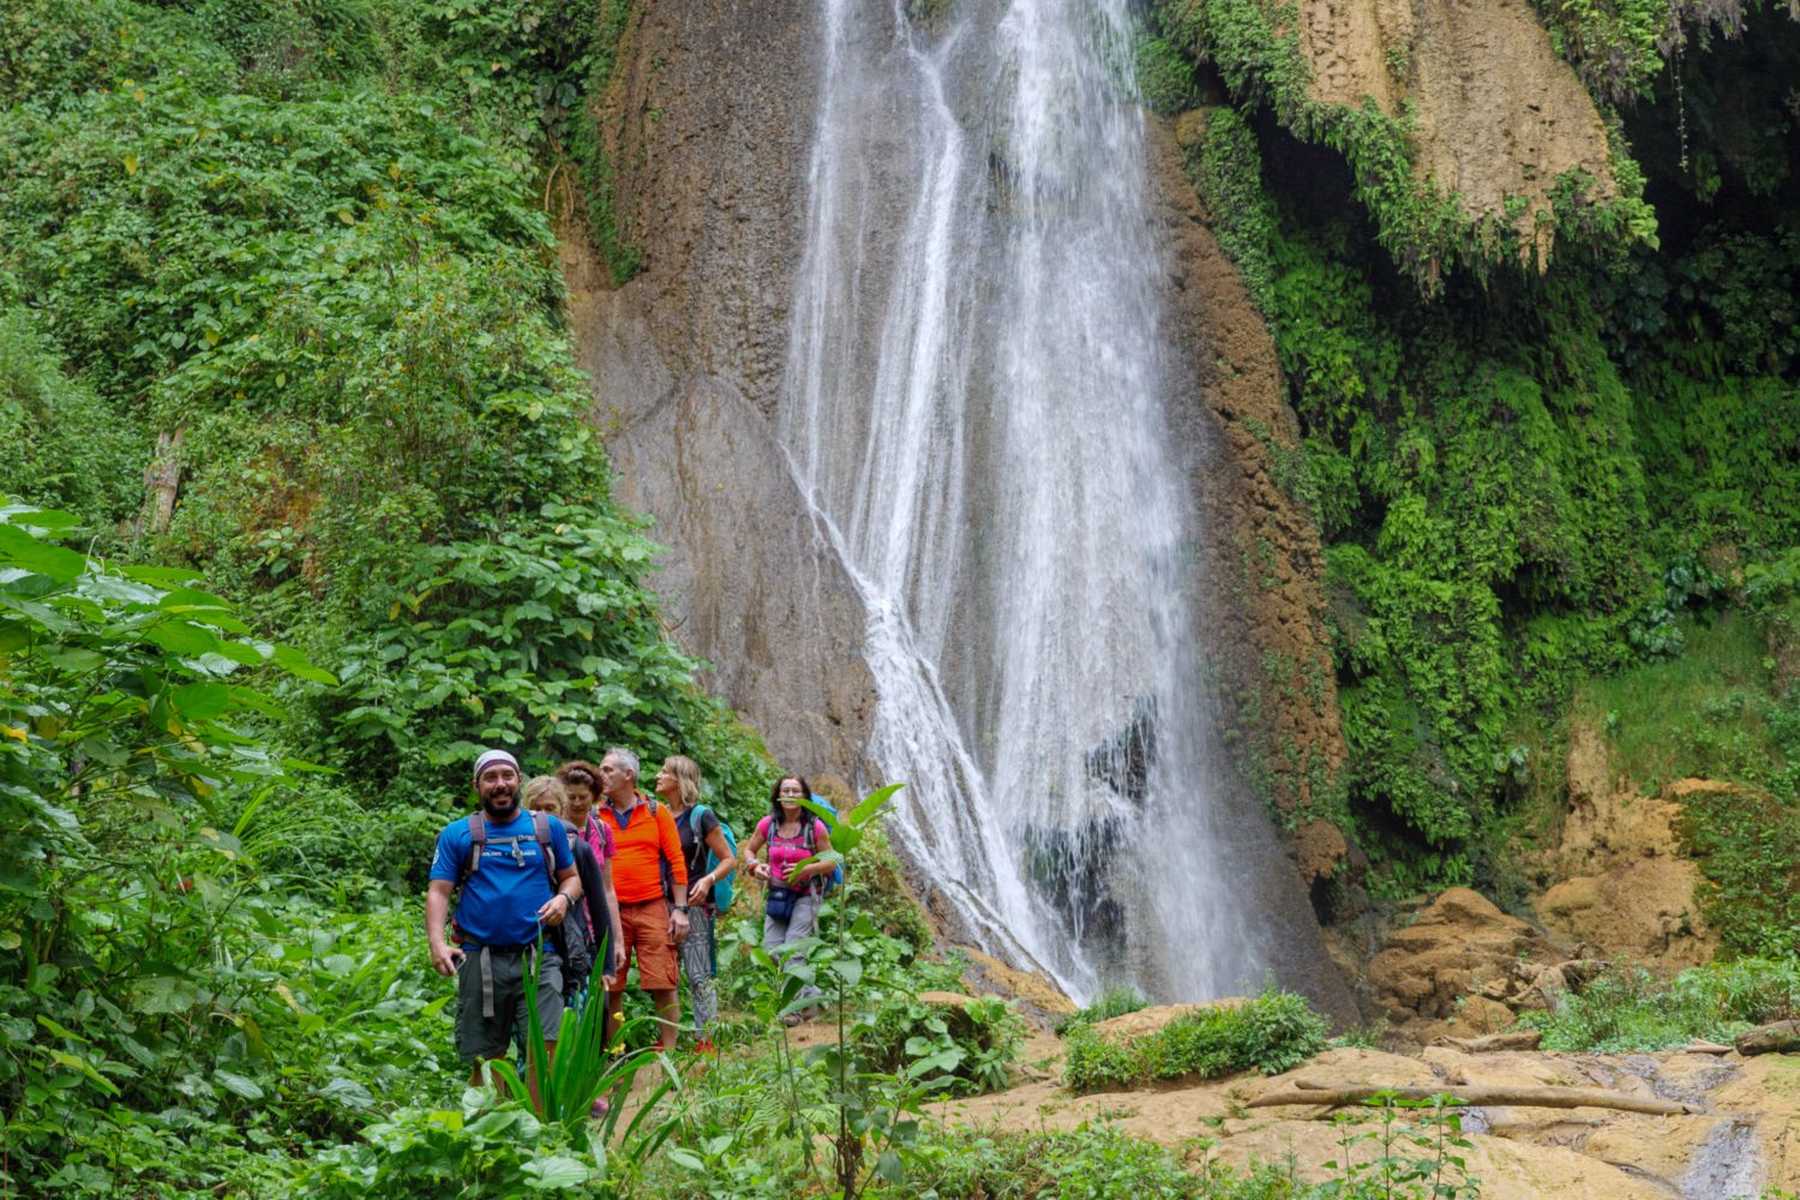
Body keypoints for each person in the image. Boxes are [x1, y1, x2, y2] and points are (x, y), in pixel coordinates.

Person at [426, 749, 580, 1097]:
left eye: (506, 776)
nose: (500, 784)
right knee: (484, 1056)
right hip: (480, 958)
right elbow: (438, 890)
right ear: (477, 785)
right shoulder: (458, 834)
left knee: (546, 1047)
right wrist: (437, 943)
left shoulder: (547, 828)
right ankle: (493, 1131)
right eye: (491, 777)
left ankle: (541, 1129)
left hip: (540, 956)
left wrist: (563, 898)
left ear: (518, 779)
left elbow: (572, 878)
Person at [595, 747, 689, 1052]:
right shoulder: (596, 814)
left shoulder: (655, 812)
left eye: (608, 770)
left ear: (629, 775)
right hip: (611, 912)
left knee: (664, 982)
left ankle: (671, 1054)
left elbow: (676, 861)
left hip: (652, 906)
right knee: (612, 987)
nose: (601, 775)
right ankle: (615, 1055)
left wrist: (681, 910)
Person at [656, 755, 736, 1053]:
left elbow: (729, 858)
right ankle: (670, 1037)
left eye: (665, 772)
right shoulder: (657, 814)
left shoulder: (702, 816)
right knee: (664, 974)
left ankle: (707, 1038)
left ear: (680, 779)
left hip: (694, 904)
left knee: (699, 972)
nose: (658, 776)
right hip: (661, 903)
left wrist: (707, 880)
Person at [740, 774, 834, 1025]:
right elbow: (750, 850)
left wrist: (808, 870)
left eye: (796, 791)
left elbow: (831, 861)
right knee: (772, 950)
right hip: (777, 895)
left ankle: (791, 1011)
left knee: (793, 951)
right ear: (778, 796)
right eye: (786, 791)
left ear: (805, 798)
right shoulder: (768, 825)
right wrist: (754, 865)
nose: (790, 795)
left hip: (806, 896)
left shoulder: (815, 827)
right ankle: (813, 996)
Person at [523, 776, 615, 1008]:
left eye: (550, 809)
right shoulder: (518, 849)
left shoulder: (578, 848)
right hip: (530, 945)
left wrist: (606, 965)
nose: (543, 815)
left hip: (574, 948)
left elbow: (598, 906)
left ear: (562, 810)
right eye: (536, 809)